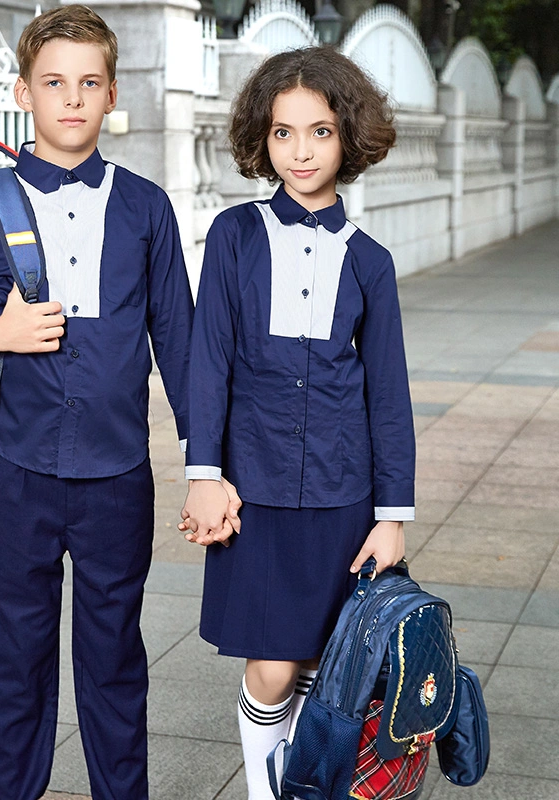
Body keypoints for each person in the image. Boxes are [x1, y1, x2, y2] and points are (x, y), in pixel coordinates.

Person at [0, 6, 194, 799]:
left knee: (116, 668)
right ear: (22, 92)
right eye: (54, 83)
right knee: (15, 667)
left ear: (110, 93)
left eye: (88, 83)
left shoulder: (146, 207)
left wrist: (210, 469)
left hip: (119, 477)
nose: (72, 99)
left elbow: (183, 347)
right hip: (17, 476)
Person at [179, 47, 416, 799]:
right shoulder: (234, 235)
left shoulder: (369, 260)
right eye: (284, 133)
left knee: (329, 663)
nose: (301, 151)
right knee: (271, 666)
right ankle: (264, 792)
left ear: (348, 137)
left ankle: (310, 788)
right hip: (255, 491)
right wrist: (204, 475)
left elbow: (389, 393)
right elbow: (207, 363)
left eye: (319, 132)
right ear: (263, 137)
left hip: (344, 499)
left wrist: (393, 516)